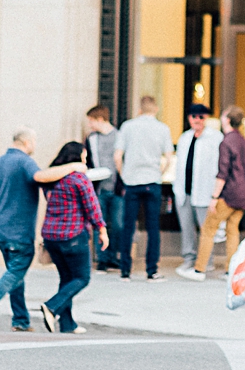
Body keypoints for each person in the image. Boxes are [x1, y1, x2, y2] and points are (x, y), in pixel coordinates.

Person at [0, 128, 76, 331]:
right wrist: (73, 167)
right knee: (15, 272)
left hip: (0, 229)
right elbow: (42, 177)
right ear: (27, 142)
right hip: (19, 230)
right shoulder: (24, 161)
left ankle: (20, 320)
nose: (35, 146)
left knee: (15, 274)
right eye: (34, 142)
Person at [38, 141, 108, 334]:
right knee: (82, 277)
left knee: (67, 278)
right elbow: (92, 206)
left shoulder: (51, 178)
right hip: (73, 235)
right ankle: (52, 306)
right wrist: (101, 229)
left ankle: (67, 324)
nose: (86, 160)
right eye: (84, 157)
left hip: (51, 236)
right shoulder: (79, 179)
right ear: (78, 158)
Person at [182, 107, 245, 280]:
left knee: (208, 228)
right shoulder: (243, 140)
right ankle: (231, 270)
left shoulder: (226, 141)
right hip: (244, 191)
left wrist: (214, 197)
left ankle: (199, 270)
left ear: (227, 119)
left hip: (229, 193)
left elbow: (223, 172)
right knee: (232, 230)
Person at [112, 95, 174, 280]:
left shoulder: (128, 126)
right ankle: (152, 269)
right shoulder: (163, 129)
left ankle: (125, 269)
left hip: (132, 182)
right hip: (152, 181)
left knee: (128, 226)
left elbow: (117, 156)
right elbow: (169, 158)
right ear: (155, 109)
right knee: (153, 227)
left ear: (139, 109)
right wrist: (159, 173)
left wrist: (124, 175)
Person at [171, 105, 221, 272]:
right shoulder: (185, 137)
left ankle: (207, 260)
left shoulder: (215, 138)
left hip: (204, 191)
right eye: (193, 116)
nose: (197, 120)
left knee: (206, 228)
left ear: (206, 119)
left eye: (201, 117)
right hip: (184, 191)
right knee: (186, 227)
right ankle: (189, 258)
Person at [83, 104, 122, 272]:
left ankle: (113, 256)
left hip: (117, 188)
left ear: (100, 119)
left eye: (91, 121)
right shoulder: (91, 139)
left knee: (118, 224)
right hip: (98, 188)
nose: (90, 125)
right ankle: (102, 259)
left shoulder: (119, 136)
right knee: (100, 224)